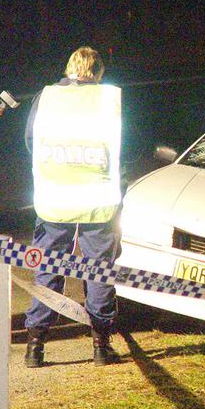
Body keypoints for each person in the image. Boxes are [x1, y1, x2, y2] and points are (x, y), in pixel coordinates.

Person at [23, 46, 123, 367]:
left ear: (69, 70)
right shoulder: (108, 99)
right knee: (97, 271)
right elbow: (124, 144)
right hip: (97, 199)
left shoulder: (47, 96)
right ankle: (100, 345)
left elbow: (30, 140)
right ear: (97, 72)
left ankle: (35, 347)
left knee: (48, 267)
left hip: (55, 196)